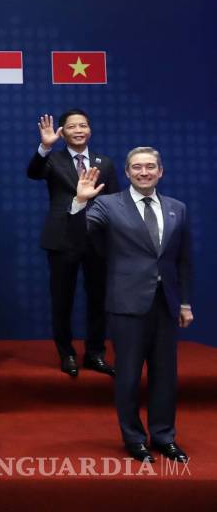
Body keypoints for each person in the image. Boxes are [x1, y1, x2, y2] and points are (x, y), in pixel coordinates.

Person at [73, 149, 192, 464]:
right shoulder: (108, 205)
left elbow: (182, 260)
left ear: (160, 171)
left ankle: (164, 437)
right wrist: (80, 202)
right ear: (127, 173)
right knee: (128, 376)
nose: (144, 172)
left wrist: (185, 302)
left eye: (150, 166)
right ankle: (134, 439)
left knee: (165, 375)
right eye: (137, 167)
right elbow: (78, 236)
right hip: (127, 304)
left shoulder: (177, 208)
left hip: (166, 304)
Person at [28, 110, 119, 378]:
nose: (78, 130)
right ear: (62, 132)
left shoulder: (105, 162)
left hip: (97, 240)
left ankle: (95, 353)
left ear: (90, 130)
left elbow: (114, 202)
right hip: (62, 238)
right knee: (62, 299)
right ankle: (66, 353)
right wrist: (45, 147)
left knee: (98, 298)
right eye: (72, 126)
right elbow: (33, 172)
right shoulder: (53, 159)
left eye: (83, 125)